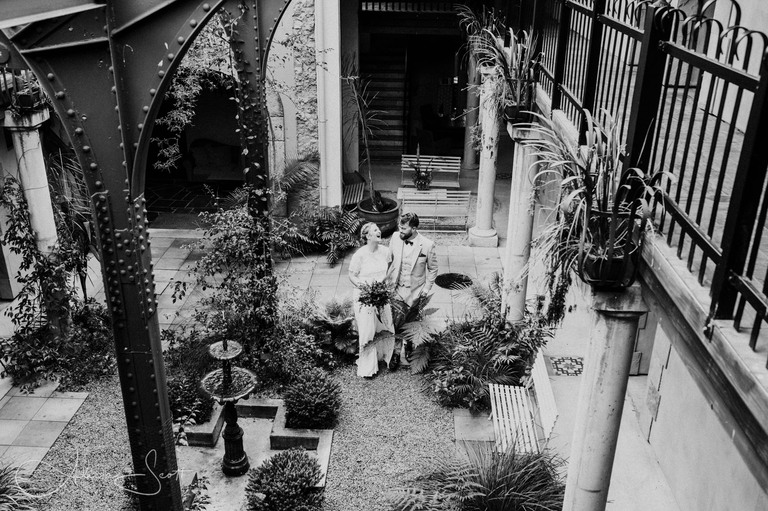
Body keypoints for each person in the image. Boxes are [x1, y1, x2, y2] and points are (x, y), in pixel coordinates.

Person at [386, 212, 438, 369]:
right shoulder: (395, 238)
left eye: (404, 229)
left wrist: (426, 289)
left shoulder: (428, 245)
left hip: (415, 291)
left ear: (414, 228)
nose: (400, 231)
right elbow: (389, 261)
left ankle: (408, 348)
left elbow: (433, 269)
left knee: (410, 322)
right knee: (394, 322)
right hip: (396, 289)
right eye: (400, 228)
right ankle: (394, 353)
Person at [348, 222, 395, 379]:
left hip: (381, 294)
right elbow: (352, 275)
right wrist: (365, 287)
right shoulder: (359, 255)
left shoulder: (386, 252)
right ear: (368, 236)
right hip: (364, 296)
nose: (379, 231)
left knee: (386, 323)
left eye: (378, 229)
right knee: (368, 329)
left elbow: (388, 270)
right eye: (375, 230)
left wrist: (384, 285)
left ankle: (387, 358)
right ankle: (368, 366)